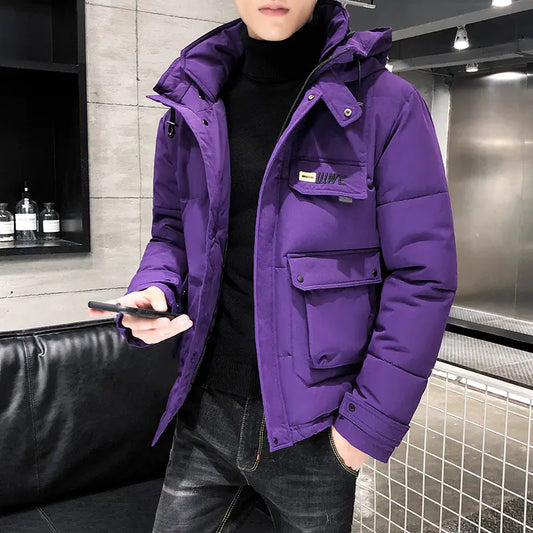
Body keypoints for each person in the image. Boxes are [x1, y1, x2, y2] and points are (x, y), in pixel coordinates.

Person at [88, 0, 458, 530]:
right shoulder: (192, 102)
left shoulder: (386, 106)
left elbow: (423, 276)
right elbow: (172, 232)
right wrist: (156, 287)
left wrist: (363, 431)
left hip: (317, 431)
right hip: (203, 414)